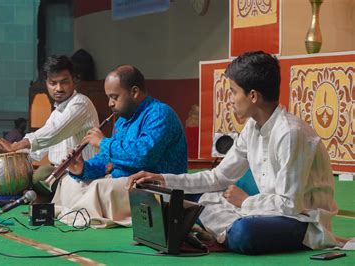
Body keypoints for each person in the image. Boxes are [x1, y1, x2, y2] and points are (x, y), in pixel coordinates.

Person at [126, 51, 344, 254]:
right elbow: (218, 177)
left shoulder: (290, 133)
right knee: (187, 196)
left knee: (244, 233)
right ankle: (222, 232)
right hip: (265, 212)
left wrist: (245, 202)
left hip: (302, 221)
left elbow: (289, 205)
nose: (230, 99)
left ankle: (220, 232)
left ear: (253, 96)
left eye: (233, 92)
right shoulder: (252, 128)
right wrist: (163, 181)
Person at [53, 64, 188, 227]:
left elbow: (144, 156)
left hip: (153, 186)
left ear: (135, 92)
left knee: (99, 187)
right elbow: (106, 160)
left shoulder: (160, 113)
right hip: (123, 181)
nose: (110, 103)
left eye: (114, 97)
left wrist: (103, 142)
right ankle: (76, 213)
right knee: (70, 181)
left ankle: (78, 216)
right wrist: (82, 168)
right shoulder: (123, 119)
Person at [0, 55, 99, 195]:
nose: (59, 88)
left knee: (41, 174)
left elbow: (54, 132)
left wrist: (14, 146)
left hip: (84, 177)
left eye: (64, 82)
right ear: (46, 83)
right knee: (30, 176)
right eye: (53, 83)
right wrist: (4, 152)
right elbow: (36, 152)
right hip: (61, 176)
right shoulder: (57, 113)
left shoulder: (81, 103)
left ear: (74, 80)